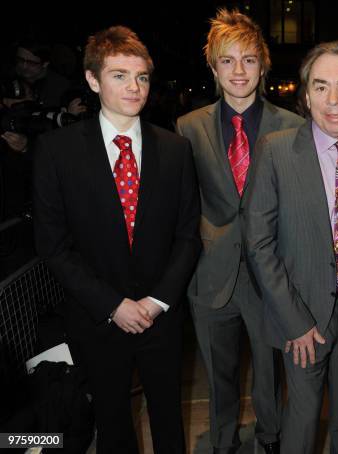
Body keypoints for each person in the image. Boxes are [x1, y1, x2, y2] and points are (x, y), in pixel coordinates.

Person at [32, 26, 201, 453]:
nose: (134, 86)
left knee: (168, 421)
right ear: (92, 80)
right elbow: (53, 246)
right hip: (97, 316)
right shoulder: (57, 151)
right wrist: (112, 305)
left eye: (142, 76)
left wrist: (158, 300)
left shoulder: (176, 150)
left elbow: (187, 236)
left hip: (160, 315)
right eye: (120, 75)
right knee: (111, 424)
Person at [244, 39, 338, 454]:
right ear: (306, 94)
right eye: (321, 85)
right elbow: (258, 243)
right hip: (303, 315)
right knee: (303, 418)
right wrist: (294, 320)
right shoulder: (276, 151)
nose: (334, 99)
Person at [176, 9, 303, 454]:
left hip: (271, 275)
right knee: (219, 374)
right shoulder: (188, 127)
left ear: (263, 66)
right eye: (227, 61)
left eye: (249, 60)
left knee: (270, 373)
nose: (238, 71)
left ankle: (270, 438)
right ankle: (223, 442)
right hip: (211, 275)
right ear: (213, 67)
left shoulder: (291, 127)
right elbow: (181, 204)